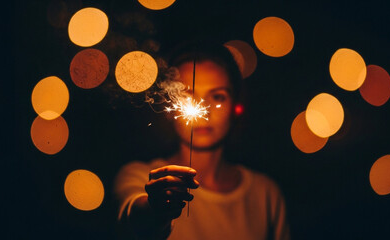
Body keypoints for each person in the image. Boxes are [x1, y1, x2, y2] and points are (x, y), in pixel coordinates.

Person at [114, 41, 290, 240]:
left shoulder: (264, 193)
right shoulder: (140, 176)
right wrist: (157, 210)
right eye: (188, 96)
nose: (203, 111)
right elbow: (135, 215)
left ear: (235, 107)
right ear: (171, 109)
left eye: (217, 97)